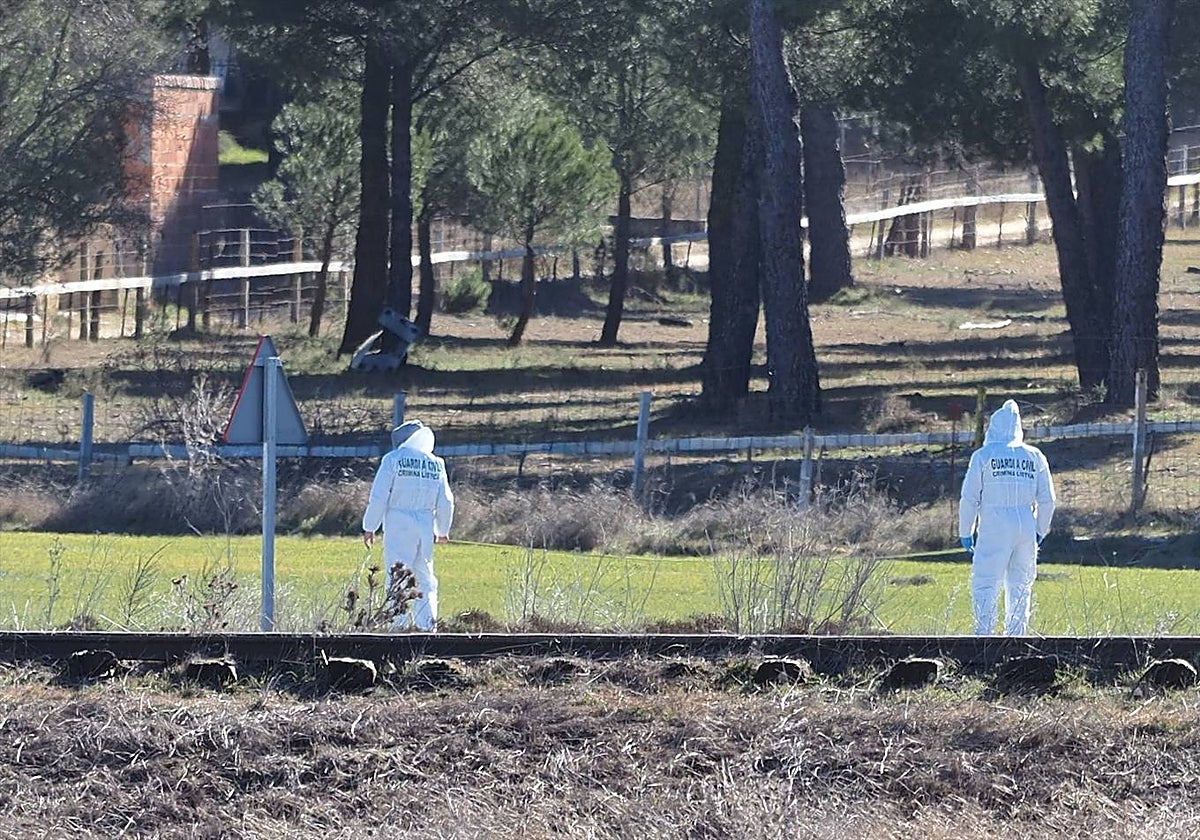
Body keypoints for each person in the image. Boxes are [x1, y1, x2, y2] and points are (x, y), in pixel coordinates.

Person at [958, 399, 1056, 636]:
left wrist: (965, 531)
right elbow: (1048, 500)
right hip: (1025, 523)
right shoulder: (1035, 456)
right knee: (1021, 586)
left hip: (994, 524)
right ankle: (1016, 639)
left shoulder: (983, 456)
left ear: (993, 427)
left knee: (986, 583)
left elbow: (970, 498)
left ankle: (984, 638)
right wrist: (1040, 530)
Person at [362, 419, 454, 631]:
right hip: (425, 525)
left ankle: (397, 626)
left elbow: (379, 497)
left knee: (398, 575)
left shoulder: (393, 459)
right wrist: (442, 530)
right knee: (425, 577)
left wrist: (370, 526)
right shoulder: (436, 463)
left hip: (397, 523)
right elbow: (446, 501)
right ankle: (428, 626)